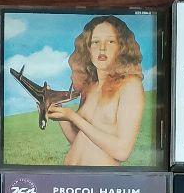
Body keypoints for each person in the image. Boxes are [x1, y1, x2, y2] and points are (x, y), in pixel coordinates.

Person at [55, 16, 145, 166]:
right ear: (88, 49)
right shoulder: (91, 87)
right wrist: (59, 113)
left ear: (121, 47)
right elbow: (81, 141)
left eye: (110, 41)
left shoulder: (130, 85)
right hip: (71, 177)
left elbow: (122, 151)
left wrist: (73, 117)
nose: (102, 48)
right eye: (95, 42)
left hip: (102, 179)